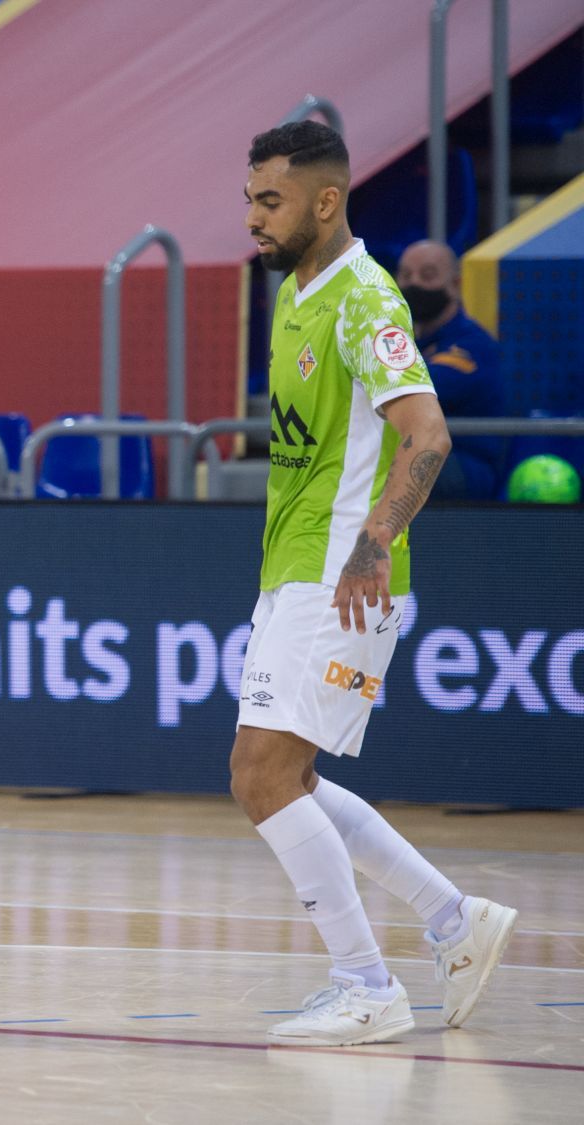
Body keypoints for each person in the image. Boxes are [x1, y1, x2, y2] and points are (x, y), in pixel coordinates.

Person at [237, 122, 516, 1047]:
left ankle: (367, 984)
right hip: (292, 566)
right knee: (294, 777)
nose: (253, 220)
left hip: (339, 571)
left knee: (262, 775)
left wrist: (375, 545)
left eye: (269, 202)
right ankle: (452, 920)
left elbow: (427, 433)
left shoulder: (363, 296)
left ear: (325, 200)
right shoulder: (297, 293)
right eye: (249, 201)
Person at [395, 241, 506, 499]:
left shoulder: (472, 346)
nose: (415, 284)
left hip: (466, 465)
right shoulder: (408, 339)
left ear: (455, 285)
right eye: (406, 275)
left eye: (428, 275)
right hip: (415, 451)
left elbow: (415, 390)